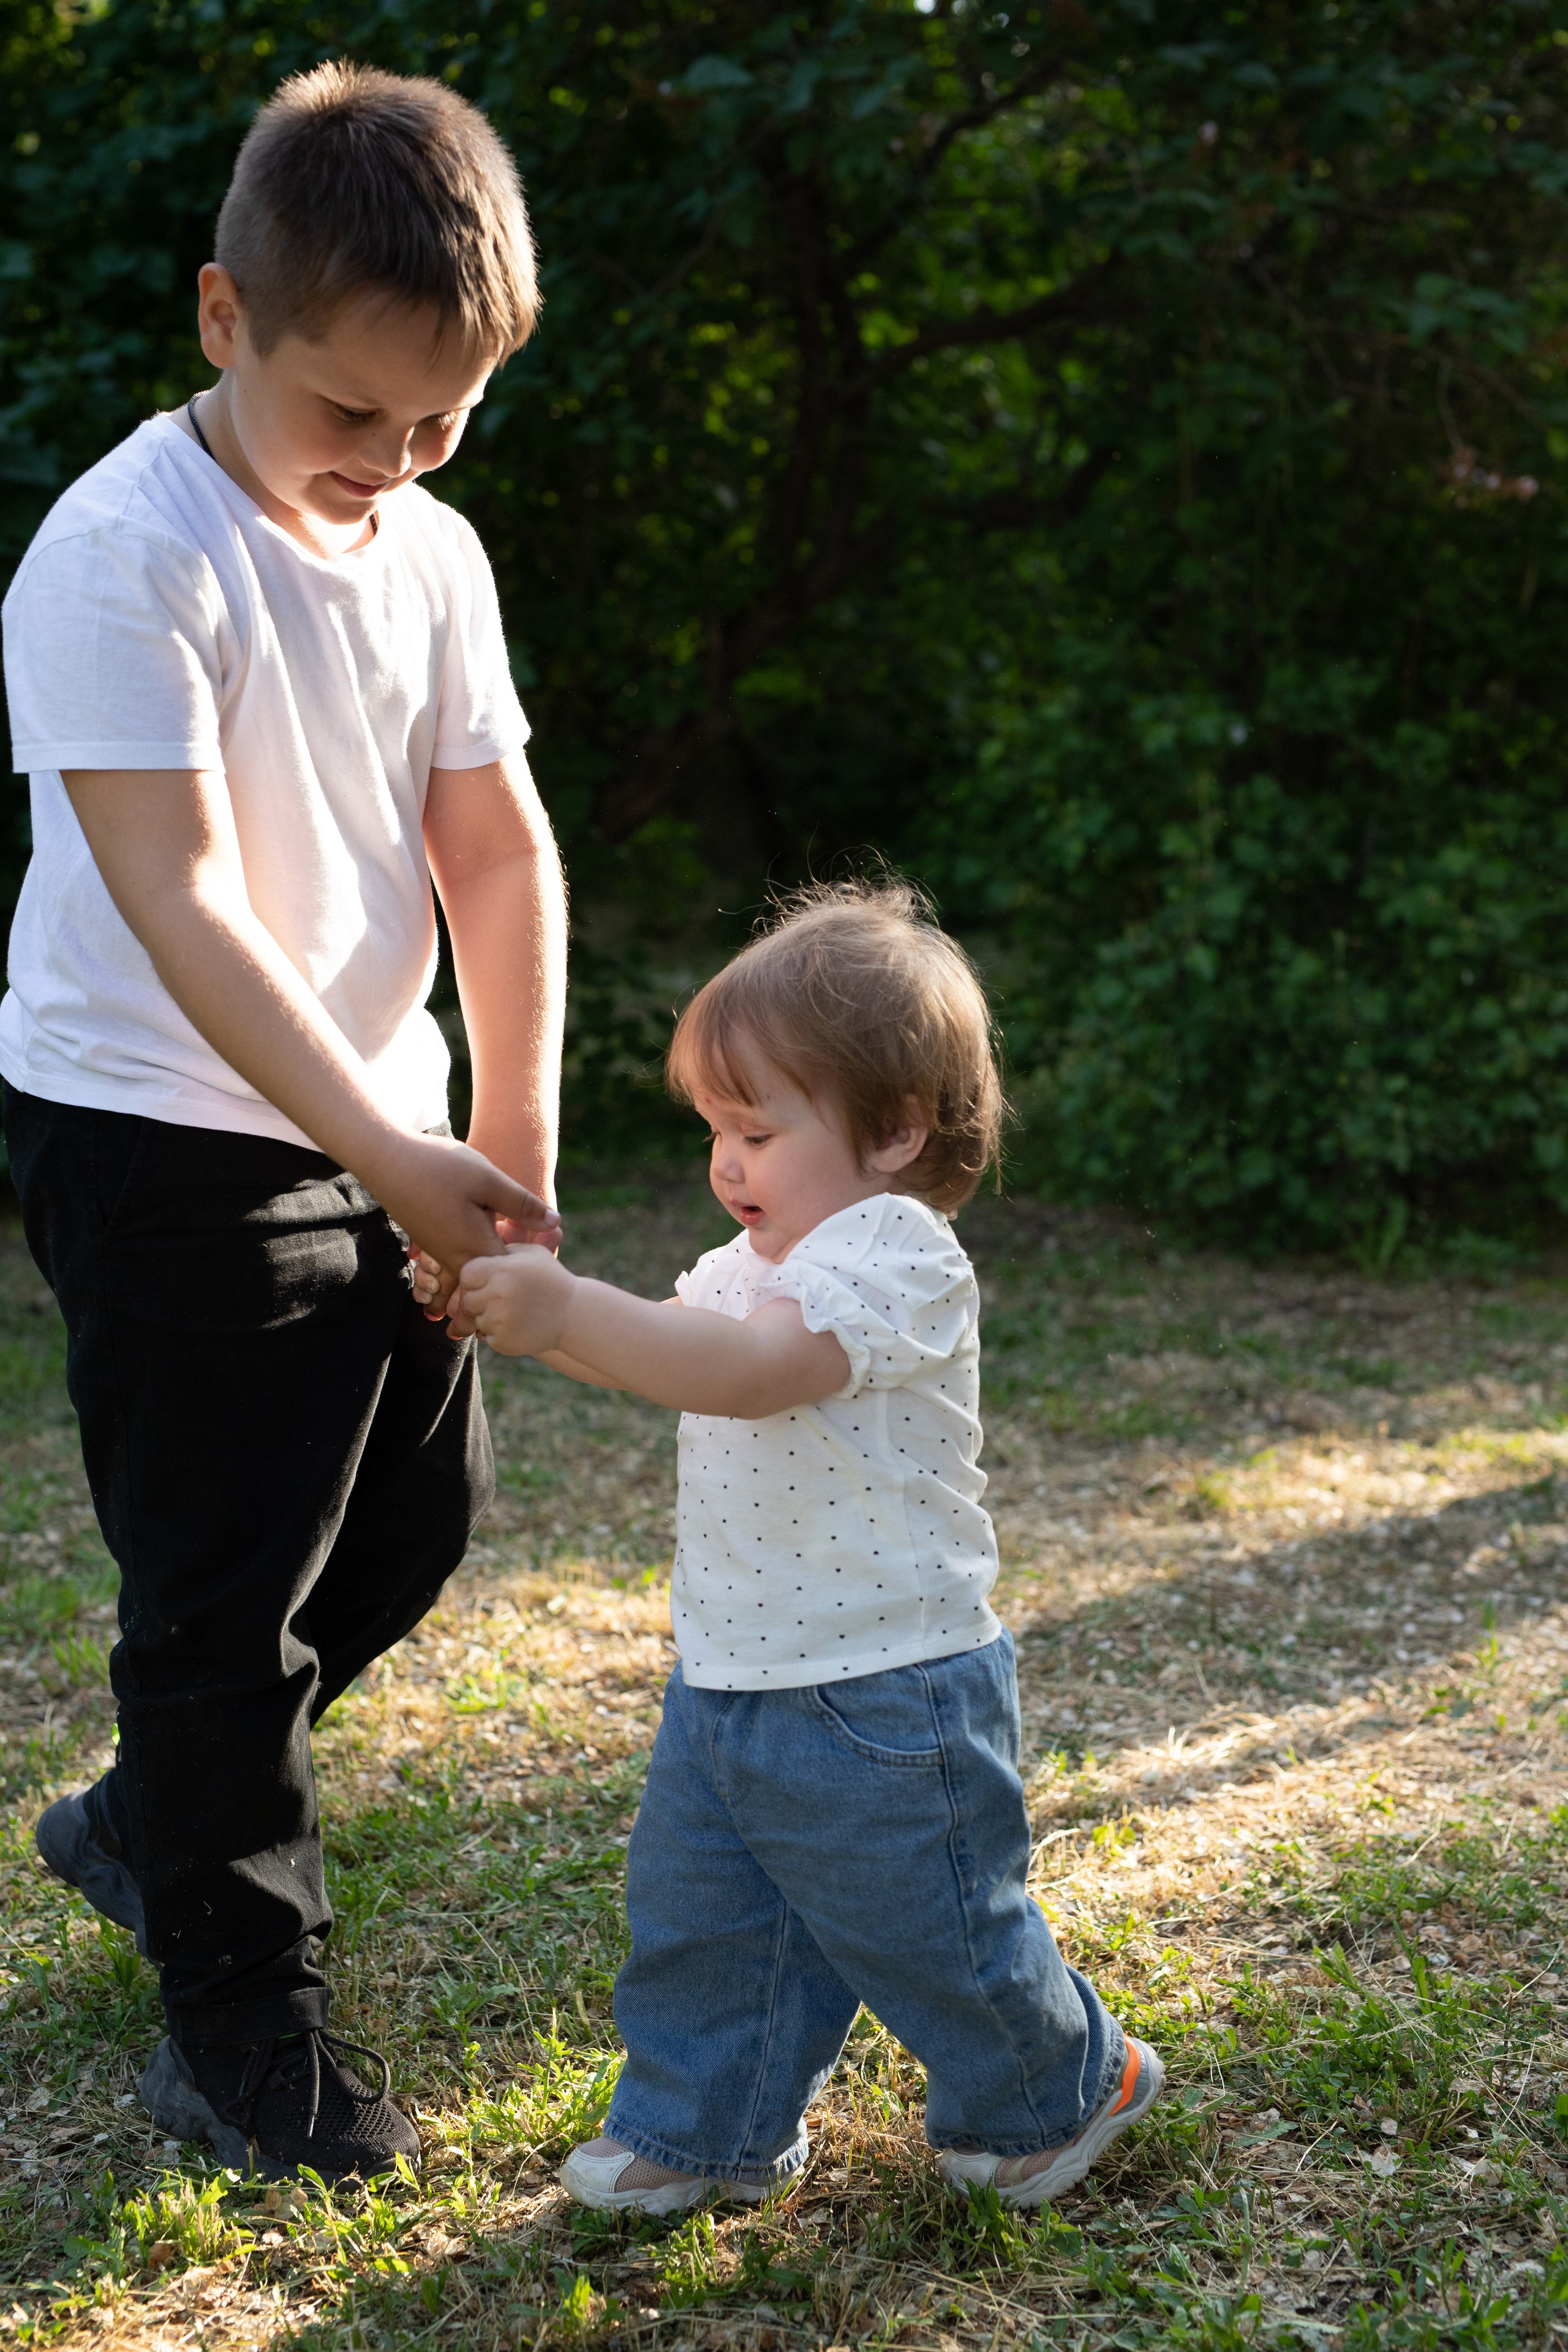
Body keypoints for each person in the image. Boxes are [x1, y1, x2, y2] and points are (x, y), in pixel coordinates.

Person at [2, 61, 567, 2182]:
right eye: (360, 416)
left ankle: (148, 1813)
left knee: (412, 1533)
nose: (400, 464)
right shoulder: (120, 552)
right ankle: (239, 2017)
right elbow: (185, 909)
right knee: (223, 1599)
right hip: (157, 1129)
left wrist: (489, 1140)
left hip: (387, 1121)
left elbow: (493, 848)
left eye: (447, 422)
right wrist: (392, 1154)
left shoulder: (427, 545)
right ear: (226, 318)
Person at [434, 881, 1163, 2215]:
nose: (726, 1162)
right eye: (714, 1127)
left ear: (892, 1131)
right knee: (707, 1926)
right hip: (729, 1676)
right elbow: (678, 1362)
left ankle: (1061, 2087)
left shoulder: (897, 1258)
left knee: (933, 1929)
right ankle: (700, 2129)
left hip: (885, 1686)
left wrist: (567, 1314)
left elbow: (753, 1373)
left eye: (756, 1128)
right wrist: (522, 1309)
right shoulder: (737, 1268)